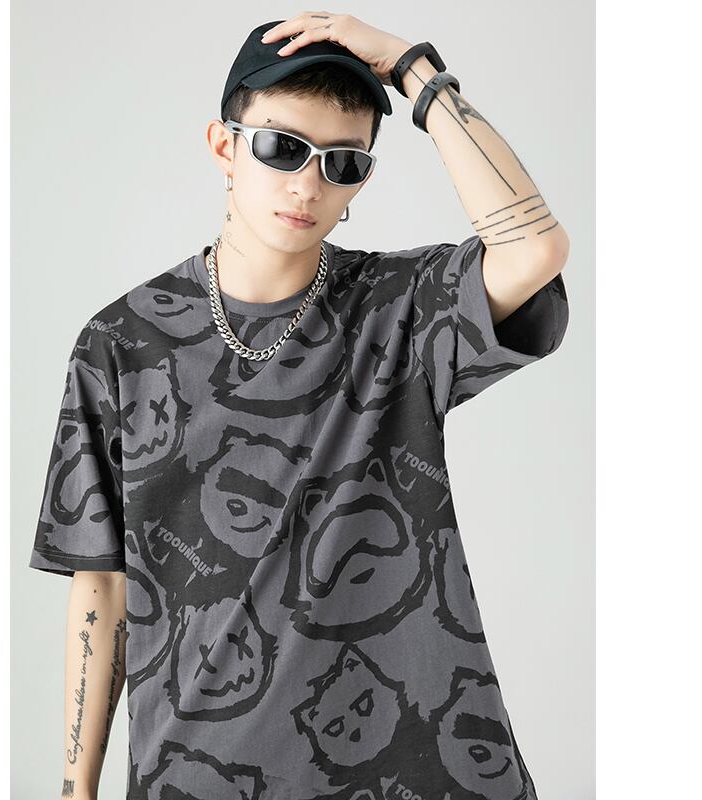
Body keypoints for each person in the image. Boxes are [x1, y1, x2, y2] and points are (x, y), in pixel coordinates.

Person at [29, 13, 569, 800]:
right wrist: (75, 788)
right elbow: (100, 583)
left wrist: (415, 70)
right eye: (281, 148)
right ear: (224, 147)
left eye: (342, 162)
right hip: (200, 771)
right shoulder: (120, 343)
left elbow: (533, 250)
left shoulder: (401, 309)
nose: (308, 184)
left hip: (421, 772)